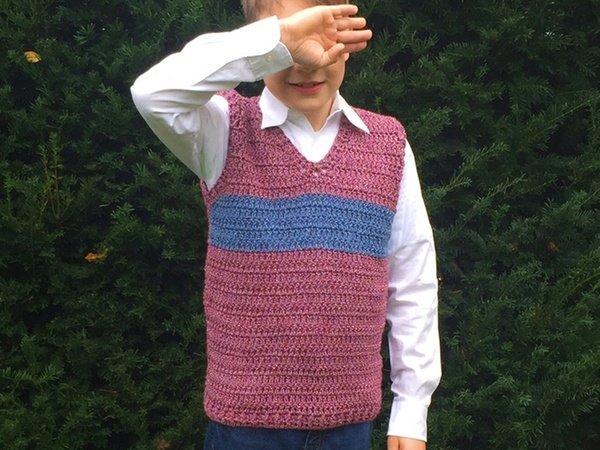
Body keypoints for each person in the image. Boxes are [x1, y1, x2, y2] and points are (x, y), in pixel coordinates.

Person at [130, 1, 441, 449]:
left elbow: (412, 279)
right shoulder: (224, 128)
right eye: (292, 42)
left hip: (348, 425)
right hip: (244, 428)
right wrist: (276, 42)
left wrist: (412, 410)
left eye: (320, 36)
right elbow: (152, 93)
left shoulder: (387, 144)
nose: (305, 63)